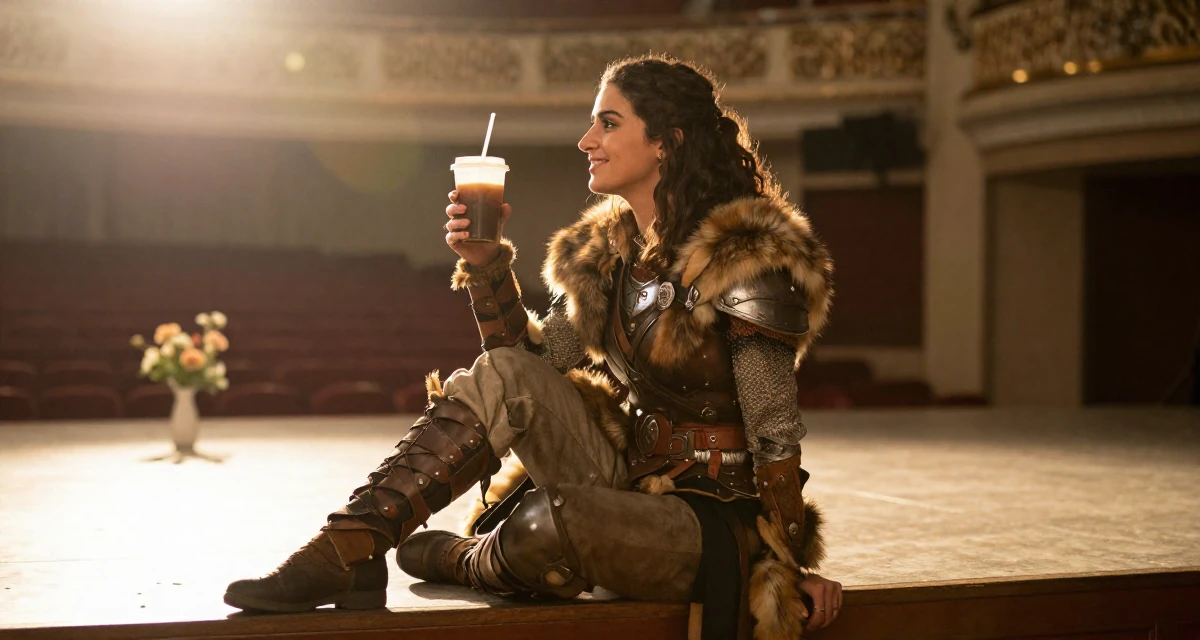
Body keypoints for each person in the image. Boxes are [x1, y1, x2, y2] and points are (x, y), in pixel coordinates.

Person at [224, 54, 841, 639]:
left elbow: (774, 432)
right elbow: (526, 370)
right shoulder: (611, 257)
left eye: (608, 122)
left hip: (713, 520)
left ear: (666, 142)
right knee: (503, 374)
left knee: (554, 519)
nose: (586, 140)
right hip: (631, 475)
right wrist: (488, 266)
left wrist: (787, 566)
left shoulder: (747, 259)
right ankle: (351, 547)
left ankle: (467, 560)